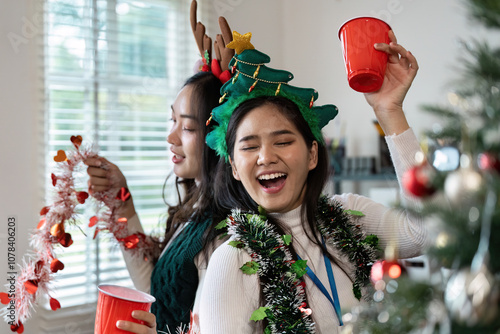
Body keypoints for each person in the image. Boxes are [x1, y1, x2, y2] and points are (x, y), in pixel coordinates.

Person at [198, 30, 425, 333]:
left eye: (282, 142)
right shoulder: (233, 260)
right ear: (235, 168)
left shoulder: (350, 215)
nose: (265, 157)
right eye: (250, 147)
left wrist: (390, 112)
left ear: (312, 154)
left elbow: (424, 233)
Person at [85, 3, 235, 332]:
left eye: (187, 127)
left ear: (219, 137)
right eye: (172, 121)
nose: (171, 137)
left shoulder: (226, 237)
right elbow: (156, 290)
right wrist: (122, 202)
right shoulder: (194, 211)